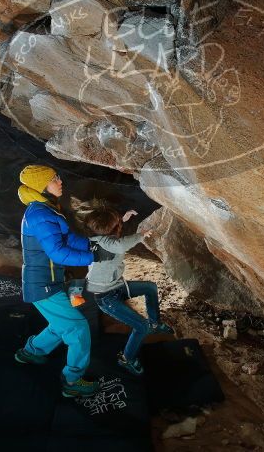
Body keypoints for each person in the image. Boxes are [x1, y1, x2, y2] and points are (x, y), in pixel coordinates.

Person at [14, 165, 112, 398]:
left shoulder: (46, 210)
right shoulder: (40, 214)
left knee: (61, 324)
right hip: (42, 284)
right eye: (54, 179)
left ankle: (31, 352)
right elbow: (57, 253)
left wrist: (91, 245)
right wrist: (94, 256)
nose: (60, 182)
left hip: (48, 281)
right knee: (78, 329)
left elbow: (67, 238)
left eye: (58, 177)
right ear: (42, 186)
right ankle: (72, 380)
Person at [72, 198, 174, 376]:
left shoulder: (98, 236)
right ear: (108, 229)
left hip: (116, 285)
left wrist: (123, 219)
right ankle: (127, 358)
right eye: (115, 222)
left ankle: (156, 323)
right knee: (141, 327)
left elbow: (112, 235)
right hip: (106, 297)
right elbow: (120, 244)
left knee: (150, 288)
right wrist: (141, 234)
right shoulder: (106, 244)